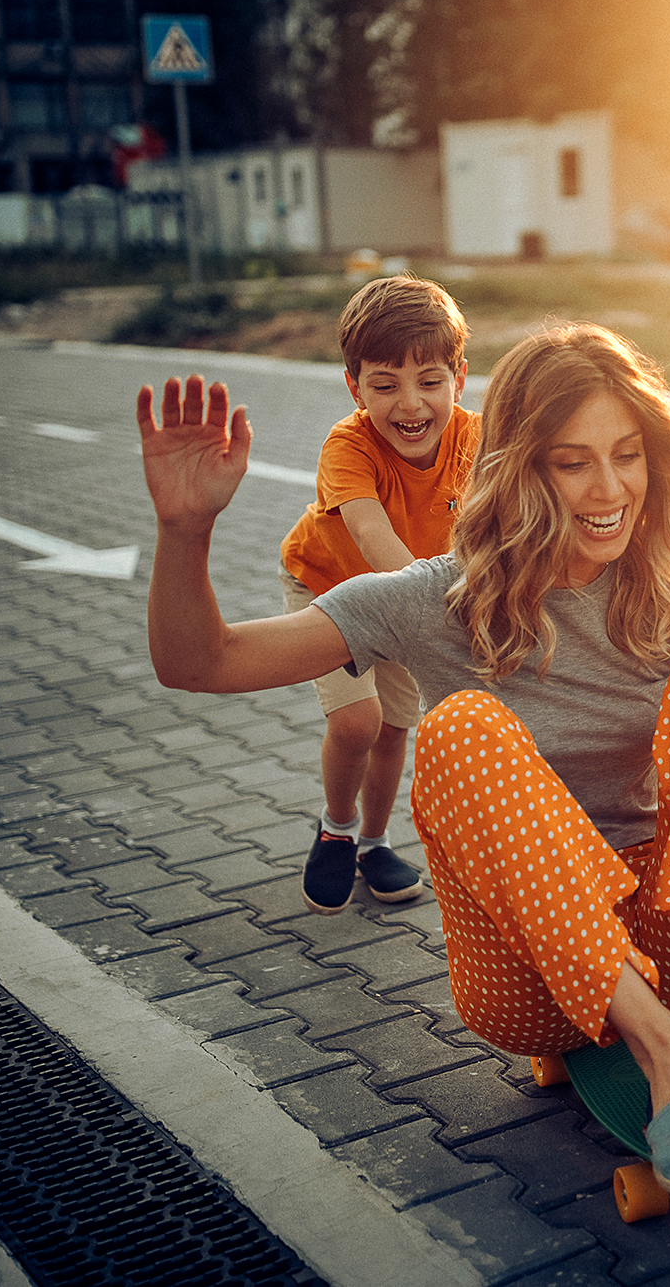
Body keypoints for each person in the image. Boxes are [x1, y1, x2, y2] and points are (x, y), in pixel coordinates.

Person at [137, 322, 670, 1198]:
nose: (609, 489)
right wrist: (183, 531)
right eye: (573, 462)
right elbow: (201, 663)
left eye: (628, 455)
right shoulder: (430, 601)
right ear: (519, 467)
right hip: (525, 974)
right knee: (461, 726)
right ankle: (664, 1058)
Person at [278, 275, 480, 915]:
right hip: (334, 585)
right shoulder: (348, 445)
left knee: (395, 728)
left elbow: (499, 524)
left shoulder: (476, 440)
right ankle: (335, 830)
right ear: (354, 387)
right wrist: (439, 604)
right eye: (384, 385)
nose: (410, 404)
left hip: (411, 595)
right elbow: (369, 530)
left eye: (430, 381)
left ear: (459, 378)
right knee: (357, 720)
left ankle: (373, 841)